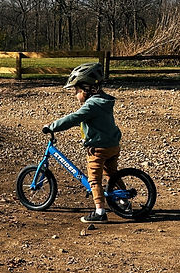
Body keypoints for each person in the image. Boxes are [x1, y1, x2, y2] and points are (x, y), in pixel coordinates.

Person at [42, 62, 121, 223]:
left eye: (77, 90)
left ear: (88, 89)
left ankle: (100, 212)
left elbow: (74, 118)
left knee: (94, 180)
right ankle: (123, 201)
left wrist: (52, 126)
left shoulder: (91, 105)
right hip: (112, 146)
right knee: (112, 175)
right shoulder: (103, 101)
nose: (75, 94)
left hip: (99, 150)